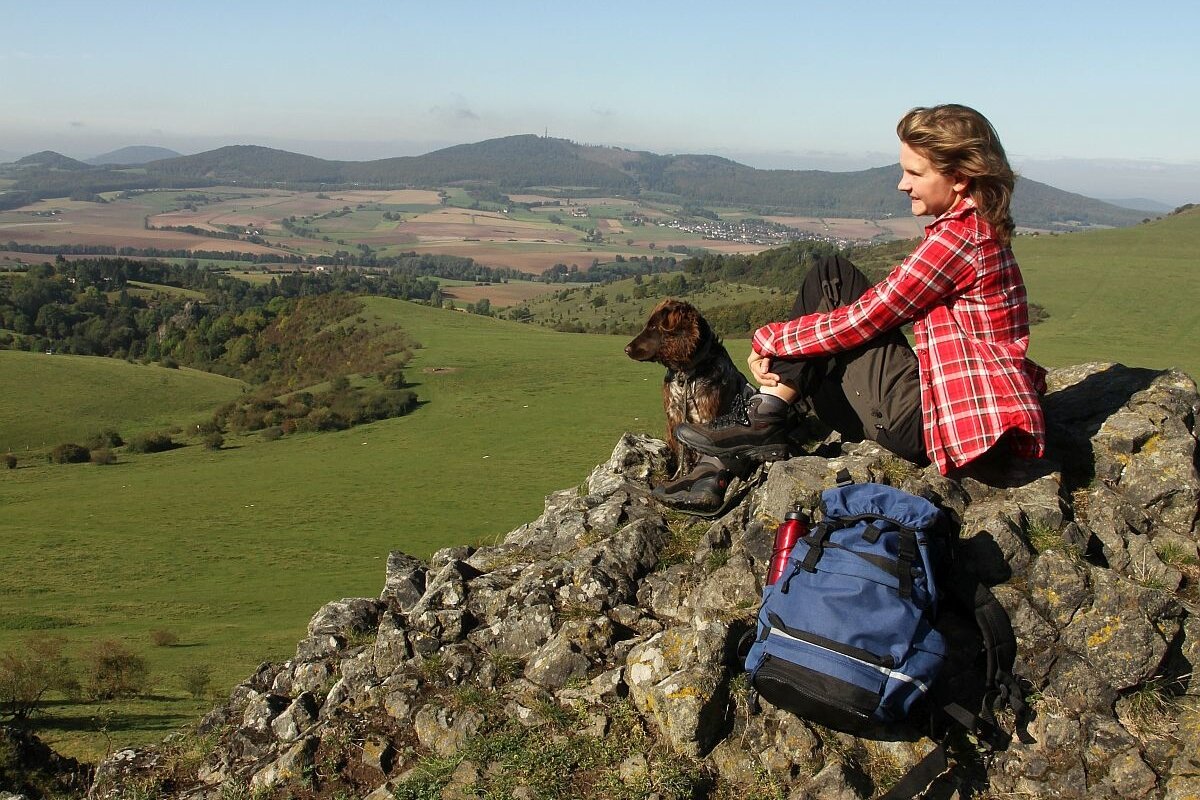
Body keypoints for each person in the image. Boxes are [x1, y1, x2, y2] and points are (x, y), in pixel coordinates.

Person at [657, 104, 1047, 512]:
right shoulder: (974, 233)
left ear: (960, 178)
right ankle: (716, 471)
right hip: (932, 416)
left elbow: (866, 317)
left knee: (831, 277)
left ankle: (755, 425)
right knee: (808, 360)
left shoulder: (959, 241)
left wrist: (771, 338)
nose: (902, 184)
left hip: (928, 424)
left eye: (915, 173)